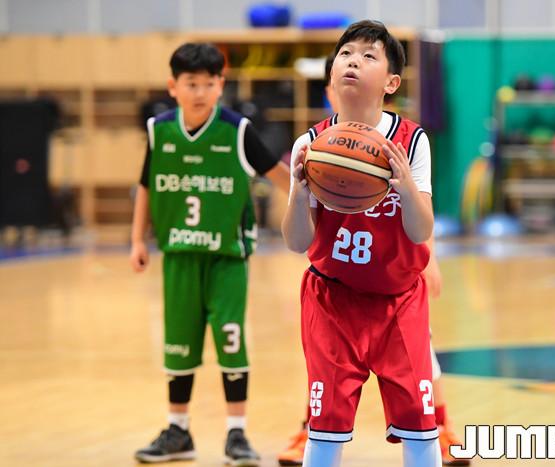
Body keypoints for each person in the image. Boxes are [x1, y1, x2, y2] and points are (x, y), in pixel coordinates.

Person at [277, 52, 468, 467]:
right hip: (332, 297)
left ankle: (445, 424)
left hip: (398, 298)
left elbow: (421, 229)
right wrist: (299, 192)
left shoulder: (411, 141)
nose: (353, 61)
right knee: (325, 427)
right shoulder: (311, 145)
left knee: (420, 424)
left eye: (368, 55)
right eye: (345, 54)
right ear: (331, 76)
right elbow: (296, 242)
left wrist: (406, 190)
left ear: (391, 81)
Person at [130, 42, 289, 465]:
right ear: (173, 86)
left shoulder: (237, 130)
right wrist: (137, 240)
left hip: (227, 258)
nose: (200, 92)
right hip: (179, 254)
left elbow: (280, 177)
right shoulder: (159, 131)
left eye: (208, 83)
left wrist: (317, 203)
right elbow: (145, 185)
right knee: (178, 344)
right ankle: (177, 429)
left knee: (231, 340)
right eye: (191, 83)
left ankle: (236, 432)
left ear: (221, 85)